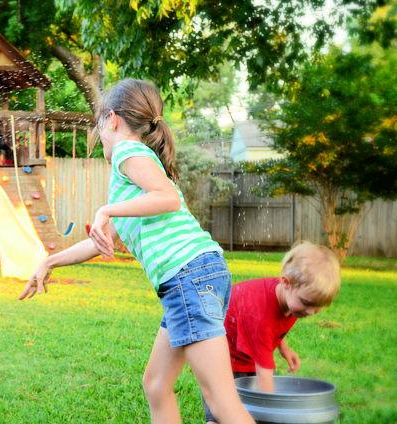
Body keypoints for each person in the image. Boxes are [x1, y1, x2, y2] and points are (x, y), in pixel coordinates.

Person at [19, 79, 254, 424]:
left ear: (112, 119)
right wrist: (50, 260)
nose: (98, 135)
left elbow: (168, 198)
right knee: (156, 384)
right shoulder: (131, 177)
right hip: (191, 277)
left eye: (99, 125)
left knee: (221, 402)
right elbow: (102, 241)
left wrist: (107, 211)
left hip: (189, 275)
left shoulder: (129, 152)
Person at [202, 241, 341, 423]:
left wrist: (284, 348)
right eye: (307, 303)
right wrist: (272, 413)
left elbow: (271, 329)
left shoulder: (290, 300)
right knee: (221, 412)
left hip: (244, 353)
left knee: (247, 408)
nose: (311, 312)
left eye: (318, 307)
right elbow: (264, 373)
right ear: (286, 283)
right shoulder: (260, 313)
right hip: (219, 358)